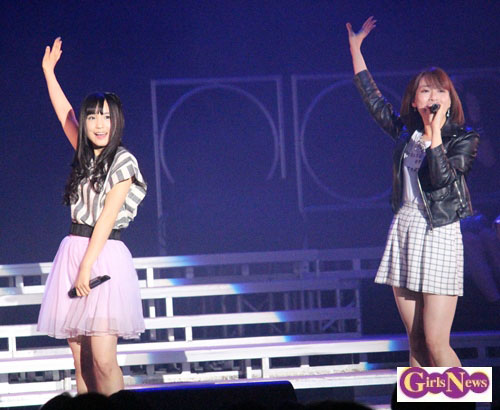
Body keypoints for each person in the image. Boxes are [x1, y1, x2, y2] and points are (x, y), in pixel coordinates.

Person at [346, 17, 479, 367]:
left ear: (450, 98)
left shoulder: (463, 138)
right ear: (414, 100)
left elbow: (441, 179)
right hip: (406, 227)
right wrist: (356, 49)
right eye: (425, 91)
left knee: (436, 342)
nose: (432, 96)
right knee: (417, 341)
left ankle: (460, 397)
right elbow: (373, 100)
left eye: (439, 91)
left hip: (440, 231)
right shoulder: (406, 132)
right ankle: (423, 397)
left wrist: (435, 133)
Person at [37, 37, 147, 395]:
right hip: (73, 250)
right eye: (93, 116)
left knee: (102, 358)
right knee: (80, 356)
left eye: (107, 117)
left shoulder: (123, 162)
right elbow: (64, 114)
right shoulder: (85, 155)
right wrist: (49, 72)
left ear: (117, 122)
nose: (100, 124)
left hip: (102, 256)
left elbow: (107, 219)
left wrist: (86, 267)